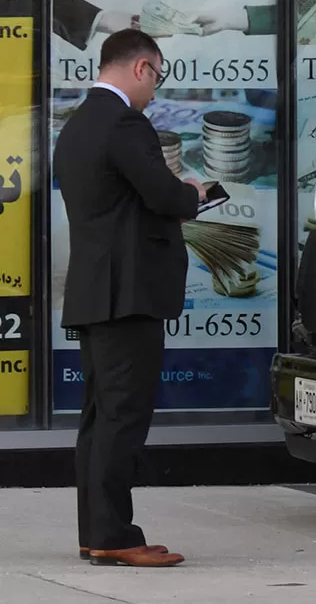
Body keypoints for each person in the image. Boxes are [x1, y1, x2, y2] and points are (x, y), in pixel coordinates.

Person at [54, 29, 205, 568]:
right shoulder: (124, 123)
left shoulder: (75, 127)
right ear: (141, 67)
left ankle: (96, 532)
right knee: (122, 418)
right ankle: (116, 535)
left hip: (96, 291)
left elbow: (113, 205)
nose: (155, 91)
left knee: (98, 419)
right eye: (157, 77)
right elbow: (164, 196)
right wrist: (194, 194)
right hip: (130, 294)